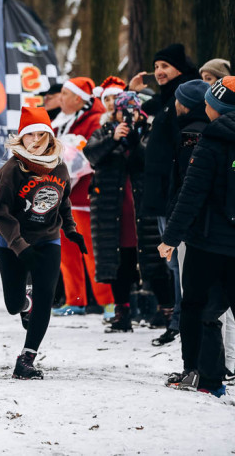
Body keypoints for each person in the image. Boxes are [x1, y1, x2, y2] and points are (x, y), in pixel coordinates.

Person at [0, 107, 84, 380]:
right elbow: (0, 213)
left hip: (48, 240)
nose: (36, 140)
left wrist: (70, 229)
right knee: (13, 303)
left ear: (50, 137)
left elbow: (63, 200)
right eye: (30, 135)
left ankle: (26, 359)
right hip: (11, 243)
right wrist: (20, 246)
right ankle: (23, 303)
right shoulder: (11, 169)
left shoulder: (59, 166)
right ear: (21, 138)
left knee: (46, 297)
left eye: (42, 134)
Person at [159, 77, 235, 399]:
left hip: (208, 242)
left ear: (216, 107)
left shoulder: (212, 139)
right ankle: (210, 376)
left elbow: (191, 193)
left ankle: (202, 375)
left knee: (196, 306)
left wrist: (171, 237)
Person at [130, 44, 200, 331]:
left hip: (172, 192)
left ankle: (181, 320)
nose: (159, 72)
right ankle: (177, 319)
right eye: (156, 66)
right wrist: (132, 94)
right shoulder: (167, 99)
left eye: (165, 67)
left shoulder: (184, 98)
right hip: (160, 190)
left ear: (180, 70)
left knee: (176, 261)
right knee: (170, 261)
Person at [85, 91, 166, 333]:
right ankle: (123, 311)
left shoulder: (149, 133)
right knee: (119, 261)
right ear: (115, 113)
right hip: (112, 211)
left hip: (143, 209)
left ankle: (166, 309)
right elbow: (91, 155)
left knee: (153, 259)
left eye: (132, 111)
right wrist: (114, 140)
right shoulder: (104, 132)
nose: (128, 116)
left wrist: (134, 143)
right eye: (123, 111)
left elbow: (153, 159)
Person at [51, 77, 112, 315]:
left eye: (65, 94)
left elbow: (91, 153)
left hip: (84, 195)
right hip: (62, 195)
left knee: (90, 250)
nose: (60, 98)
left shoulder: (94, 120)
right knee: (66, 252)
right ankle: (75, 298)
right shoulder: (60, 121)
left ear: (78, 98)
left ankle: (107, 300)